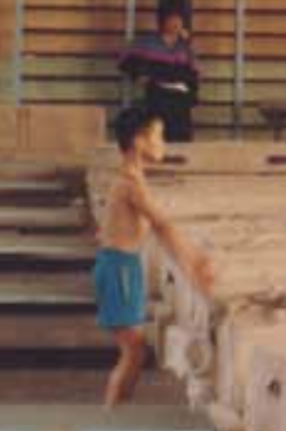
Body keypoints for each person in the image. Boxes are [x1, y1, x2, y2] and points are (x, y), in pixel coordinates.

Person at [92, 106, 214, 406]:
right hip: (119, 268)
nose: (164, 143)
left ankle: (116, 413)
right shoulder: (130, 184)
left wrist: (192, 260)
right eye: (158, 136)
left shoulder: (133, 178)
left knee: (135, 352)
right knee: (133, 351)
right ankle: (110, 415)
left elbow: (157, 229)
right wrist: (194, 264)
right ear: (138, 141)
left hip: (125, 266)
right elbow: (163, 226)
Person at [119, 10, 199, 142]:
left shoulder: (185, 47)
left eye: (179, 22)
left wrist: (193, 96)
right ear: (163, 23)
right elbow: (125, 60)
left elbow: (194, 72)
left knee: (181, 134)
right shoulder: (148, 43)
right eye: (172, 20)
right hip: (158, 93)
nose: (176, 25)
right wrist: (138, 75)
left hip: (180, 97)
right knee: (158, 130)